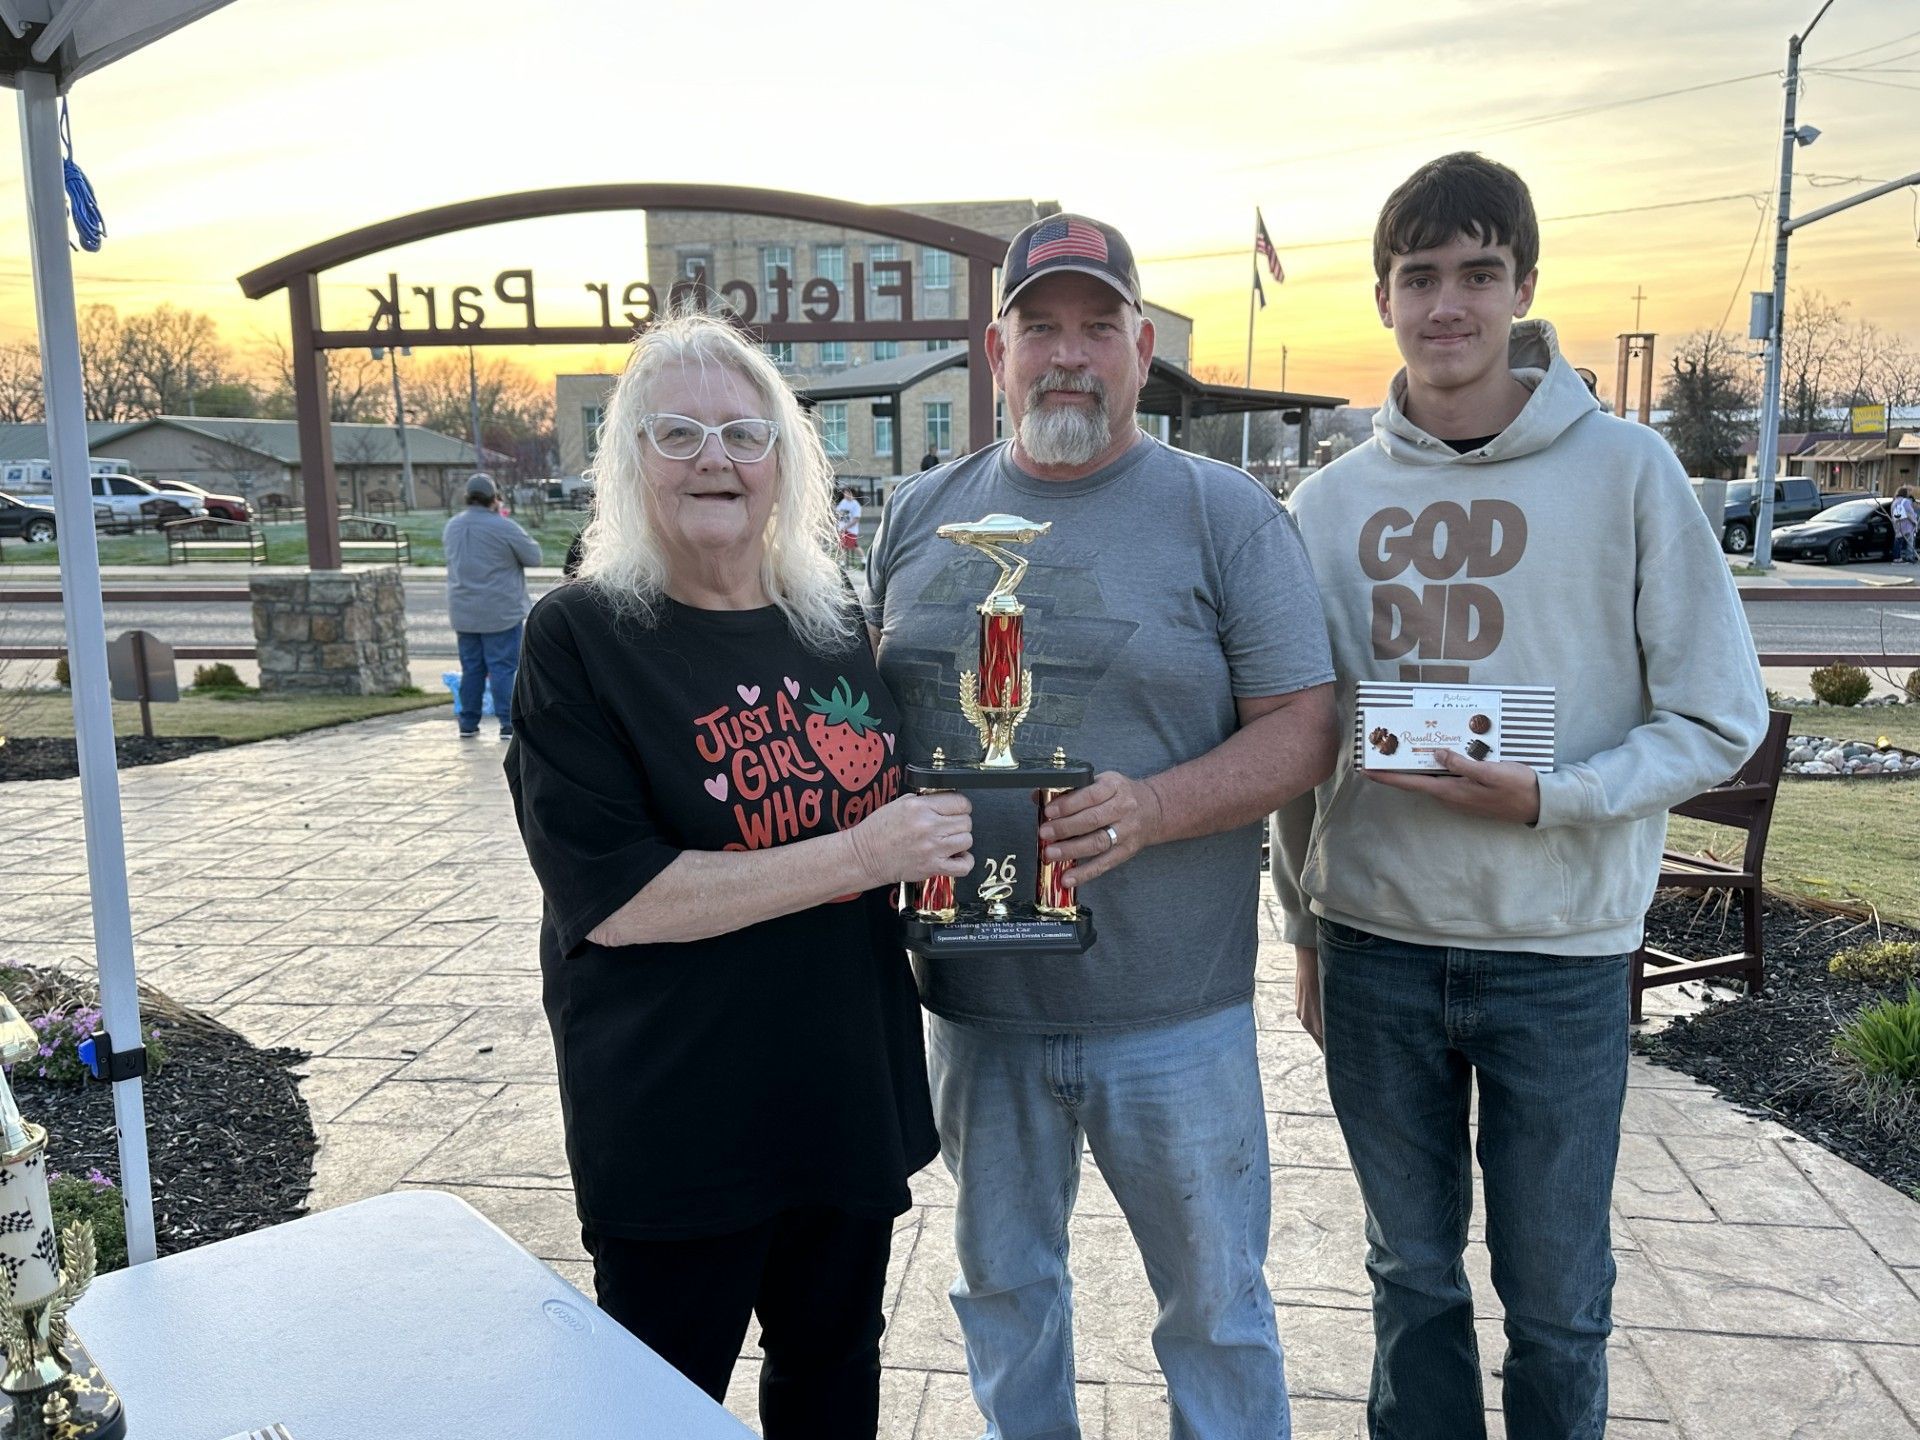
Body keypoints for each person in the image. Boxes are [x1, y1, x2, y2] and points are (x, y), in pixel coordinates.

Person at [1273, 152, 1769, 1440]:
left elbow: (1721, 716)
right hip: (1380, 951)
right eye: (1420, 276)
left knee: (1556, 1299)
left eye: (1477, 274)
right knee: (1408, 1278)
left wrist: (1553, 797)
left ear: (1525, 288)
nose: (1448, 304)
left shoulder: (1630, 475)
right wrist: (1307, 930)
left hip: (1557, 953)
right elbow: (1302, 742)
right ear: (1384, 296)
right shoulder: (1327, 507)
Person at [867, 213, 1339, 1439]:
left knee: (1215, 1310)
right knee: (1006, 1295)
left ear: (1140, 349)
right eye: (1041, 328)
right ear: (995, 350)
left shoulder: (1221, 511)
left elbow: (1304, 727)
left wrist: (1154, 807)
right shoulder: (918, 514)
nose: (1066, 355)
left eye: (1096, 328)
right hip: (980, 1015)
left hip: (1172, 1014)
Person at [505, 310, 961, 1438]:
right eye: (678, 433)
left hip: (840, 1093)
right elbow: (614, 900)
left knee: (832, 1384)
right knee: (657, 1407)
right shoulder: (581, 637)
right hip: (678, 1117)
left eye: (744, 434)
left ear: (786, 463)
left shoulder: (831, 624)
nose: (716, 457)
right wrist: (862, 854)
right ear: (631, 463)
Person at [444, 472, 542, 739]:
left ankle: (468, 723)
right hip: (500, 611)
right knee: (503, 668)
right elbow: (534, 557)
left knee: (472, 669)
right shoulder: (504, 527)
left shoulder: (452, 526)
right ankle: (507, 723)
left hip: (463, 612)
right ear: (494, 499)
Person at [834, 485, 863, 567]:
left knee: (853, 546)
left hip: (851, 530)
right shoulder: (843, 502)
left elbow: (856, 519)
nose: (845, 495)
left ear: (852, 494)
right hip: (842, 529)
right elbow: (837, 513)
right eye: (844, 493)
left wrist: (846, 527)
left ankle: (864, 560)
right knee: (842, 546)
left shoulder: (855, 504)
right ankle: (843, 563)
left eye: (847, 493)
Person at [1893, 485, 1918, 564]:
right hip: (1907, 525)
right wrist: (1915, 521)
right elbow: (1910, 513)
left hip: (1897, 524)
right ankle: (1909, 557)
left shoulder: (1895, 502)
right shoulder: (1906, 501)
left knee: (1898, 541)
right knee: (1910, 542)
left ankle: (1896, 557)